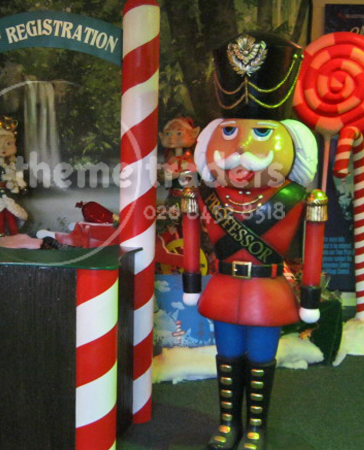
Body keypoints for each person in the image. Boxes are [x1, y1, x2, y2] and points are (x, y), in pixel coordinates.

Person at [181, 33, 326, 450]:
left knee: (262, 361)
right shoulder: (204, 195)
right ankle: (229, 424)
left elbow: (313, 249)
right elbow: (191, 237)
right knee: (227, 360)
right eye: (229, 131)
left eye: (262, 132)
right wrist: (192, 284)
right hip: (225, 287)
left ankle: (255, 428)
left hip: (268, 290)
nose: (242, 146)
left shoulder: (298, 198)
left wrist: (310, 296)